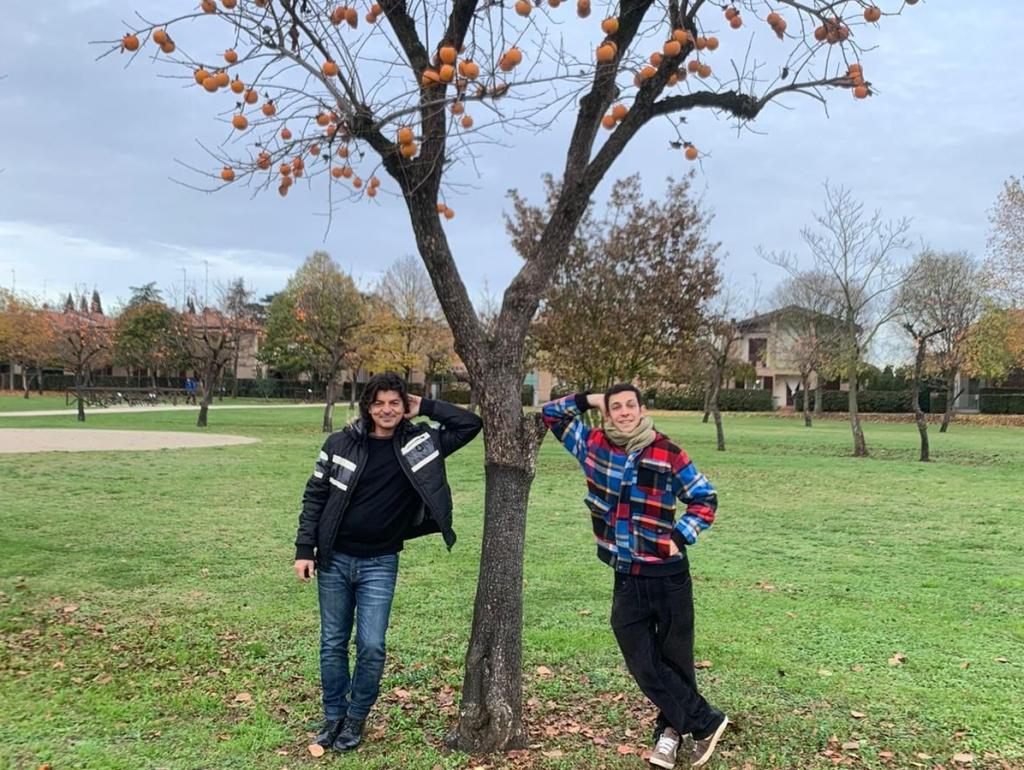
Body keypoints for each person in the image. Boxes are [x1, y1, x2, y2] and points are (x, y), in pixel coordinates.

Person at [541, 384, 728, 769]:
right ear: (606, 413)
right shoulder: (591, 445)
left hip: (668, 575)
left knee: (675, 660)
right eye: (615, 407)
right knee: (642, 660)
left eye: (631, 405)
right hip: (626, 574)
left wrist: (680, 536)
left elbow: (704, 498)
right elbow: (551, 415)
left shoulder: (668, 452)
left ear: (641, 410)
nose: (624, 412)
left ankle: (669, 737)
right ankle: (706, 720)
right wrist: (590, 399)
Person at [294, 372, 482, 752]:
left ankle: (356, 718)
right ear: (367, 406)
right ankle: (333, 717)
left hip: (380, 562)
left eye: (394, 402)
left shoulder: (421, 443)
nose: (386, 410)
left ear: (404, 405)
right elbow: (315, 496)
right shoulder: (340, 443)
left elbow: (469, 424)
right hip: (334, 559)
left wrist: (424, 405)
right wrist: (304, 549)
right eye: (378, 403)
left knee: (372, 645)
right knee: (332, 642)